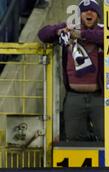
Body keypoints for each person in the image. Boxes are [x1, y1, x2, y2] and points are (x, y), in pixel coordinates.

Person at [38, 0, 104, 141]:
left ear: (98, 14)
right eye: (85, 11)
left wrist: (79, 35)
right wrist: (60, 30)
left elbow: (105, 37)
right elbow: (42, 35)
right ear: (79, 15)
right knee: (74, 137)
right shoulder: (69, 28)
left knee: (107, 136)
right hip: (74, 96)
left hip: (100, 96)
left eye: (92, 10)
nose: (89, 13)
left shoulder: (103, 29)